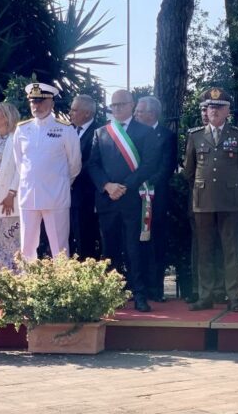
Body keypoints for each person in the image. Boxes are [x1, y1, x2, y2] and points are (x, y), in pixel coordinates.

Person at [88, 89, 159, 312]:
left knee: (134, 247)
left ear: (131, 104)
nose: (116, 109)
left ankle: (139, 294)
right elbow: (92, 164)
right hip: (108, 198)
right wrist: (107, 186)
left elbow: (149, 164)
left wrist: (125, 186)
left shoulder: (145, 132)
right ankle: (112, 294)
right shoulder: (102, 132)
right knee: (110, 247)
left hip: (132, 198)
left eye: (121, 104)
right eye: (113, 105)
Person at [184, 87, 238, 312]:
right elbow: (189, 172)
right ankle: (206, 295)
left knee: (230, 250)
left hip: (230, 200)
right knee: (204, 250)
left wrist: (229, 187)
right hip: (203, 201)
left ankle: (233, 296)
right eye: (210, 107)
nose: (213, 111)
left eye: (219, 107)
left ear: (227, 111)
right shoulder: (195, 136)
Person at [13, 82, 82, 260]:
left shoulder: (65, 129)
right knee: (26, 248)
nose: (37, 106)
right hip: (29, 196)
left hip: (56, 196)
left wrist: (60, 182)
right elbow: (20, 162)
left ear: (51, 103)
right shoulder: (22, 129)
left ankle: (63, 285)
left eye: (41, 101)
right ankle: (28, 285)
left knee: (60, 248)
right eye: (33, 102)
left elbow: (74, 164)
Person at [134, 95, 178, 302]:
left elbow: (167, 167)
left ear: (151, 114)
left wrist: (148, 184)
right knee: (136, 243)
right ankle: (138, 288)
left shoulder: (167, 136)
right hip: (134, 197)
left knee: (156, 243)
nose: (136, 114)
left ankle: (156, 289)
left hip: (156, 198)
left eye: (139, 111)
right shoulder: (132, 134)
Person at [0, 102, 21, 268]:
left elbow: (21, 170)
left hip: (8, 194)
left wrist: (11, 193)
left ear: (7, 118)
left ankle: (9, 277)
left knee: (7, 236)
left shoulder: (17, 140)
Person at [69, 94, 101, 260]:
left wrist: (68, 177)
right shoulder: (68, 130)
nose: (70, 113)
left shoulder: (99, 132)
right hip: (63, 196)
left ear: (87, 113)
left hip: (84, 197)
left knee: (85, 243)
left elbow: (90, 164)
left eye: (74, 110)